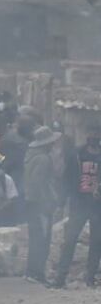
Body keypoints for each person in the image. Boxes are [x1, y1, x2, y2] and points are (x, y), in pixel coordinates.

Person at [52, 123, 101, 288]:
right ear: (87, 134)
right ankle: (60, 278)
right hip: (79, 203)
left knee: (97, 242)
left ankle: (90, 277)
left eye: (97, 132)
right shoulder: (77, 154)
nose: (94, 135)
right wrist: (61, 203)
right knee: (70, 240)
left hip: (97, 205)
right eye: (91, 131)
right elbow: (67, 179)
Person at [24, 126, 61, 284]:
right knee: (42, 239)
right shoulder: (44, 159)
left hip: (31, 202)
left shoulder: (31, 156)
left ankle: (31, 271)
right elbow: (39, 184)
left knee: (35, 238)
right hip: (40, 204)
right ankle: (37, 273)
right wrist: (47, 204)